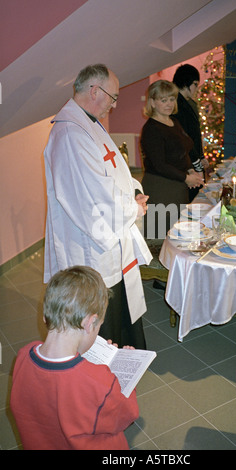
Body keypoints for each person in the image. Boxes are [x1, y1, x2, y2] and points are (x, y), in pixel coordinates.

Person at [43, 64, 152, 350]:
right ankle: (102, 381)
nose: (114, 105)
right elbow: (91, 198)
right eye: (113, 97)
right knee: (102, 322)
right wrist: (134, 209)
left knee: (119, 313)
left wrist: (136, 193)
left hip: (110, 239)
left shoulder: (89, 125)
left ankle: (122, 370)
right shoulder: (70, 134)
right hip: (91, 247)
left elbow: (116, 173)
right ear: (95, 91)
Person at [10, 266, 139, 450]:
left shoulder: (23, 356)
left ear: (46, 317)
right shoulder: (101, 383)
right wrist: (122, 376)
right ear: (89, 323)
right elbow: (128, 414)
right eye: (98, 327)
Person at [140, 79, 204, 237]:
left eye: (172, 99)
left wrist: (190, 169)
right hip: (160, 188)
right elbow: (160, 164)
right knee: (160, 235)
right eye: (163, 100)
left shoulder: (173, 121)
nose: (169, 104)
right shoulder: (151, 129)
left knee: (177, 233)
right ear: (153, 103)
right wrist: (186, 177)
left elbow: (184, 149)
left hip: (178, 185)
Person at [172, 64, 209, 201]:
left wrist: (201, 156)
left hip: (192, 160)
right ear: (186, 82)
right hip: (188, 164)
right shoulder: (178, 105)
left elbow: (194, 134)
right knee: (194, 200)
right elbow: (185, 139)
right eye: (195, 84)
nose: (196, 88)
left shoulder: (185, 103)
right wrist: (197, 162)